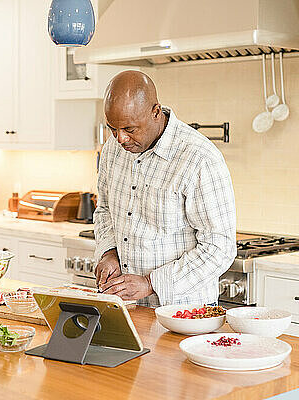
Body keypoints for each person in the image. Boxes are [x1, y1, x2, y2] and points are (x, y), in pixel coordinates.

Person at [95, 71, 236, 307]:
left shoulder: (198, 158)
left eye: (130, 129)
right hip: (125, 306)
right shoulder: (113, 148)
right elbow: (105, 209)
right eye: (112, 128)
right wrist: (109, 251)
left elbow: (219, 248)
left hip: (183, 312)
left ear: (156, 112)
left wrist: (151, 283)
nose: (120, 139)